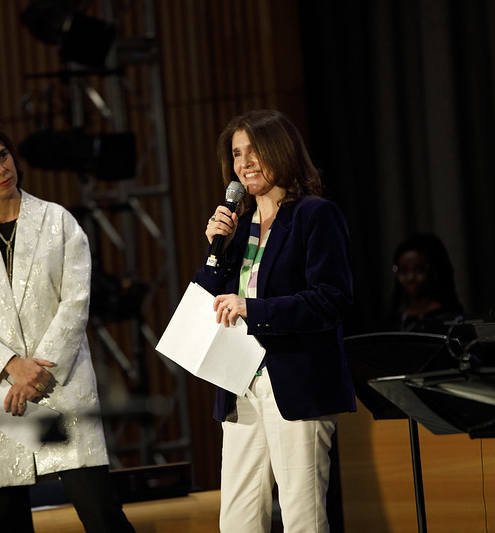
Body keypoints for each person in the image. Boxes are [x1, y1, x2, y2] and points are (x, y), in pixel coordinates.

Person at [0, 118, 134, 533]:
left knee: (102, 513)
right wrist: (10, 365)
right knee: (8, 522)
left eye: (2, 156)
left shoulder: (58, 222)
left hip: (57, 384)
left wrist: (34, 372)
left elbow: (76, 303)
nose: (0, 170)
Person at [194, 109, 356, 532]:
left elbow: (331, 300)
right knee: (238, 522)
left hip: (296, 382)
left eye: (254, 151)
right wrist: (216, 250)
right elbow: (205, 300)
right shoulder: (240, 227)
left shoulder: (313, 215)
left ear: (280, 152)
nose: (243, 164)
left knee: (304, 519)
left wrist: (255, 309)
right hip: (241, 382)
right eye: (236, 154)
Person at [386, 232, 464, 334]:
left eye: (418, 270)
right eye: (403, 270)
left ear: (434, 273)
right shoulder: (395, 320)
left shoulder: (449, 319)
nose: (410, 277)